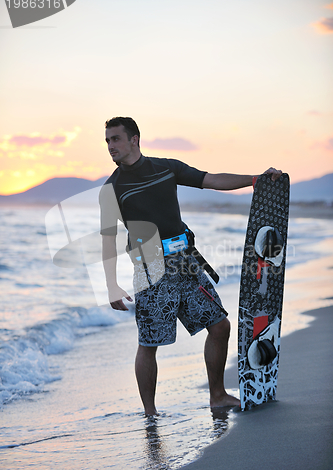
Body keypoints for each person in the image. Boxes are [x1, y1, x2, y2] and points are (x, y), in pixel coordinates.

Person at [99, 116, 282, 416]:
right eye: (107, 141)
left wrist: (253, 180)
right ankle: (150, 414)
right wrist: (110, 284)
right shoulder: (111, 189)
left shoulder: (165, 168)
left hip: (186, 264)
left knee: (220, 326)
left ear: (134, 139)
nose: (110, 146)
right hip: (151, 272)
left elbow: (210, 180)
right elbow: (107, 240)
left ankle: (218, 395)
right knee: (149, 343)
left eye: (115, 139)